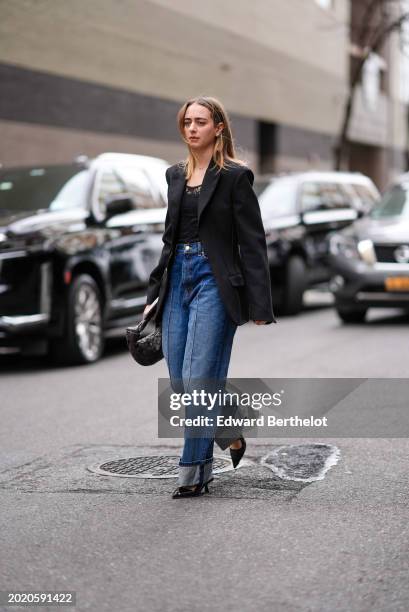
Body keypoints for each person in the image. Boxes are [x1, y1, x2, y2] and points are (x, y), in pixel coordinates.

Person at [143, 95, 276, 499]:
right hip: (177, 276)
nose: (192, 128)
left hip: (214, 280)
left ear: (218, 127)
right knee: (182, 382)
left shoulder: (235, 176)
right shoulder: (174, 175)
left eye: (200, 121)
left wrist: (259, 304)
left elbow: (252, 242)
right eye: (187, 122)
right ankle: (230, 429)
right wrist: (154, 294)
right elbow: (169, 240)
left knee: (200, 378)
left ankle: (193, 472)